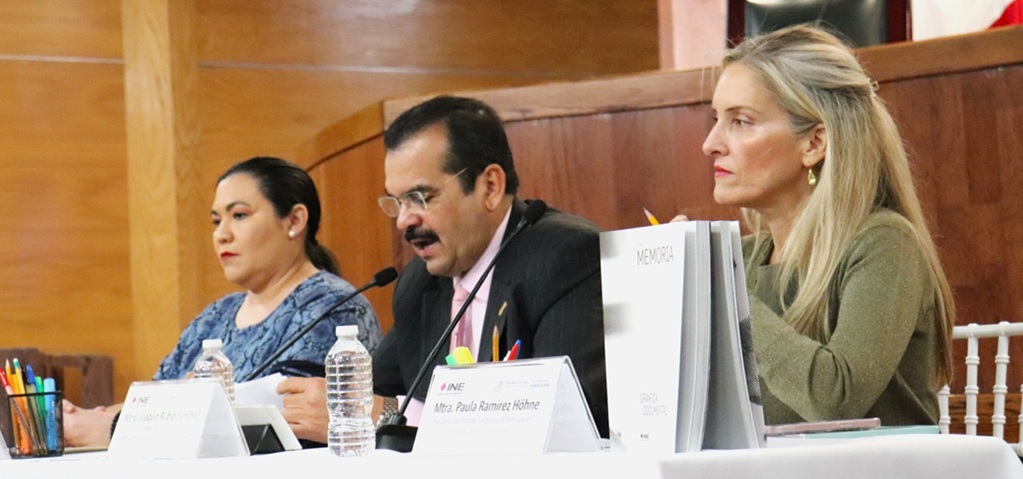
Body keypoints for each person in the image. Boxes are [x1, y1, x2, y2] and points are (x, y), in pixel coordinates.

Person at [279, 96, 609, 442]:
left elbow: (567, 422)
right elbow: (373, 392)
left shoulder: (563, 257)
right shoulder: (419, 283)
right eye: (397, 201)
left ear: (490, 187)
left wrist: (381, 413)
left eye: (420, 198)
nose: (404, 221)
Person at [697, 25, 955, 425]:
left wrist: (723, 291)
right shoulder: (740, 258)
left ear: (814, 143)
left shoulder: (884, 243)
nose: (711, 143)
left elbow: (835, 399)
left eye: (741, 121)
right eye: (716, 119)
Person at [63, 156, 382, 447]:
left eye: (239, 215)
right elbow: (159, 395)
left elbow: (275, 423)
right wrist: (90, 416)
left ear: (295, 221)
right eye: (216, 221)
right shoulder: (217, 314)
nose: (222, 235)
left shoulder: (332, 305)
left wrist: (109, 427)